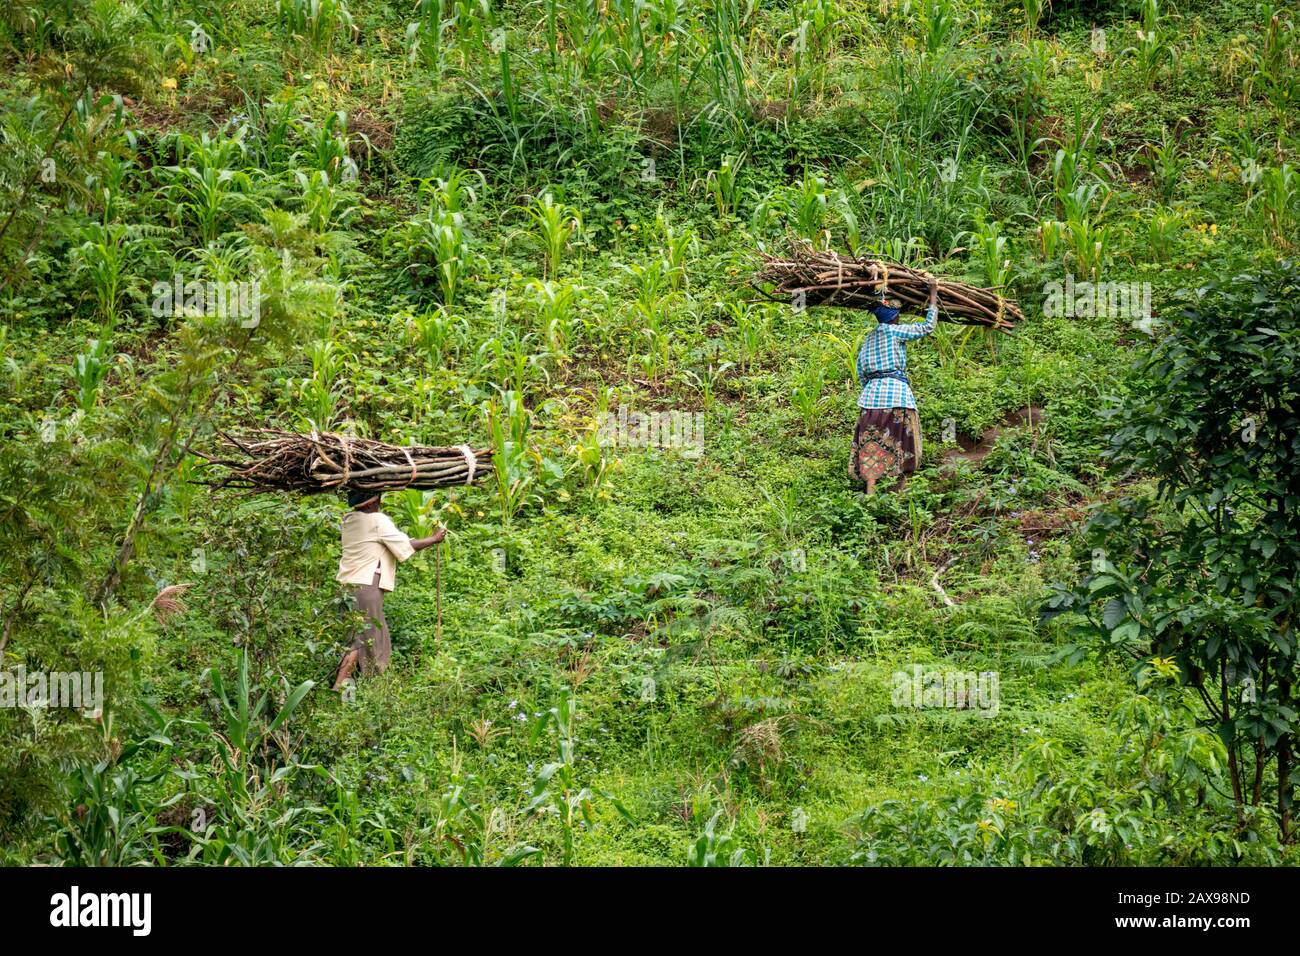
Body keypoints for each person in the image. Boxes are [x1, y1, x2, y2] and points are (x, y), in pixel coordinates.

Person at [333, 489, 445, 690]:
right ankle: (347, 687)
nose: (380, 503)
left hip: (346, 588)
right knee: (367, 640)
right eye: (378, 499)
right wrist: (434, 539)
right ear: (370, 503)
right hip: (366, 587)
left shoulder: (349, 520)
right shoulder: (377, 520)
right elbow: (407, 545)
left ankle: (347, 690)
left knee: (355, 638)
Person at [850, 276, 940, 494]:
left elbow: (861, 373)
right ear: (894, 317)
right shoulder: (894, 331)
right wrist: (933, 294)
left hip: (870, 401)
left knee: (871, 443)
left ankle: (870, 492)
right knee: (901, 442)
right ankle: (900, 491)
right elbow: (928, 327)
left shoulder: (868, 340)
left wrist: (873, 389)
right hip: (897, 398)